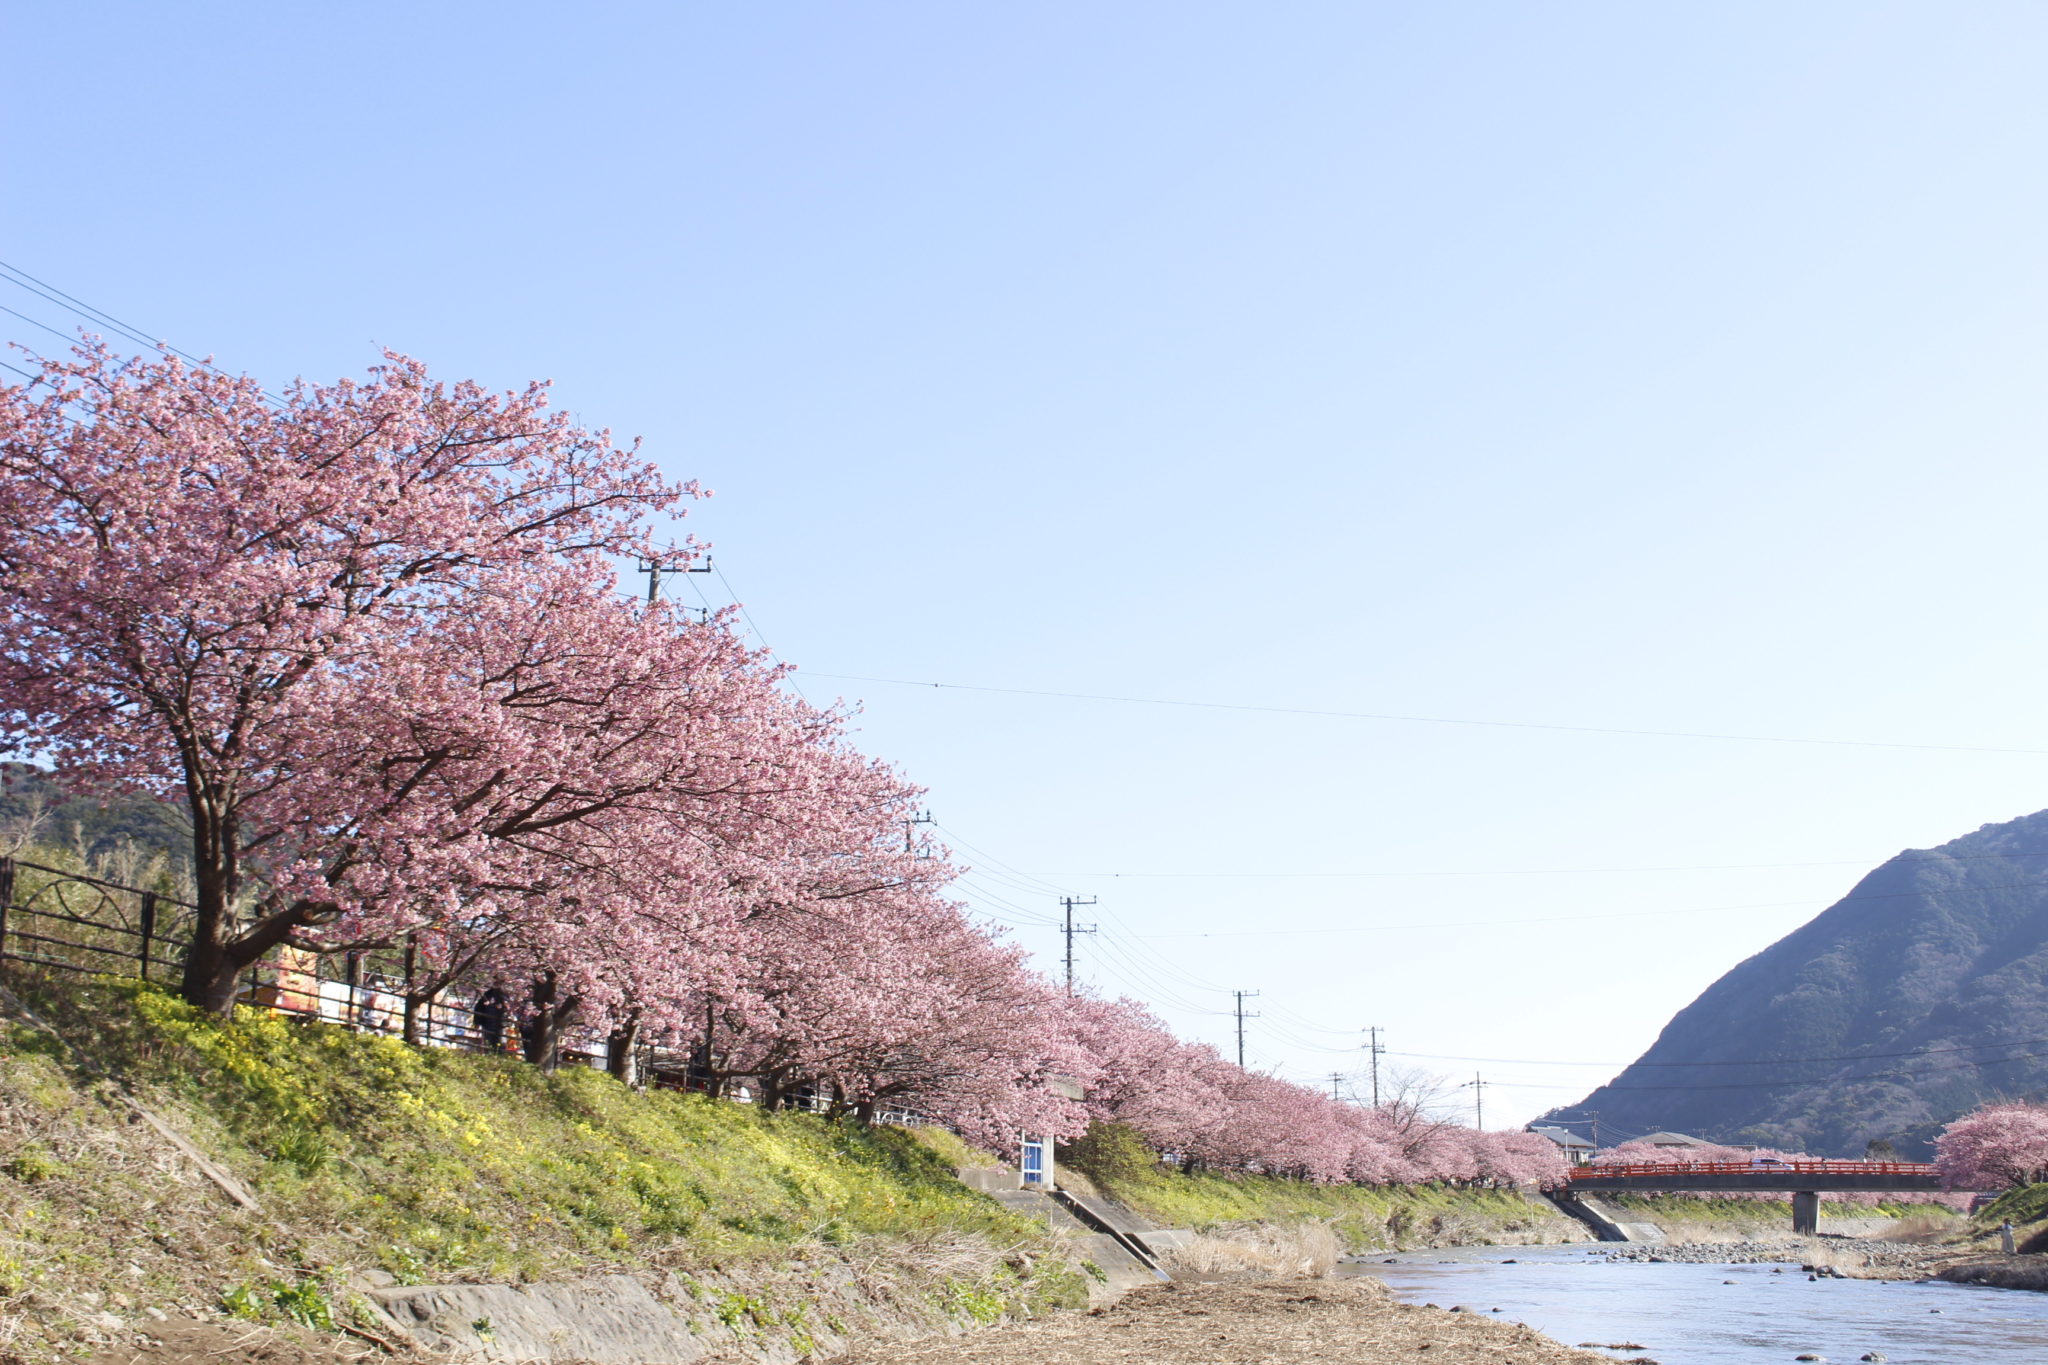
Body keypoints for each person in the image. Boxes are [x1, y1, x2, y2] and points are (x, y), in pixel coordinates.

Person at [472, 985, 509, 1051]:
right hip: (488, 1023)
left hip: (498, 1024)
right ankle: (490, 1054)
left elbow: (506, 1009)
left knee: (499, 1042)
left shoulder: (503, 996)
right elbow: (479, 1008)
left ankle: (497, 1054)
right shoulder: (487, 995)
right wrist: (477, 1021)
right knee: (489, 1041)